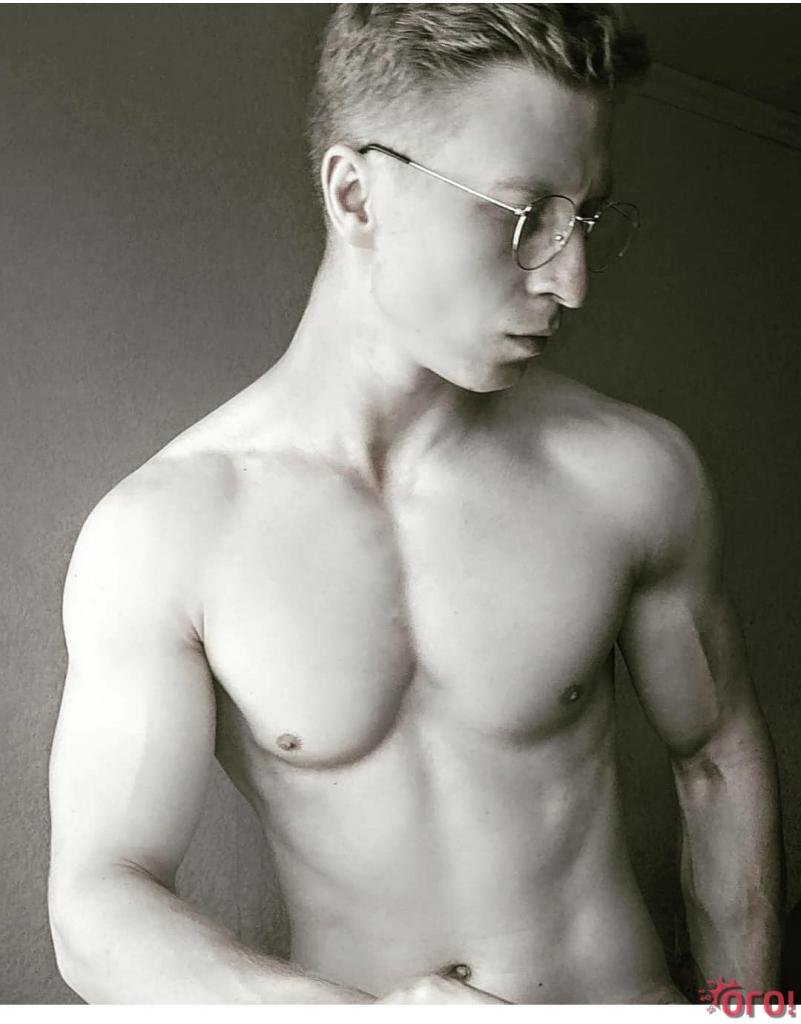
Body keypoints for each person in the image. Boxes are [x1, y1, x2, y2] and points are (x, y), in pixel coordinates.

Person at [47, 3, 784, 1005]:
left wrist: (754, 1013)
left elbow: (717, 760)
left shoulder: (631, 473)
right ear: (356, 196)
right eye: (525, 216)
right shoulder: (166, 532)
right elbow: (98, 904)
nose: (570, 280)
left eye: (583, 219)